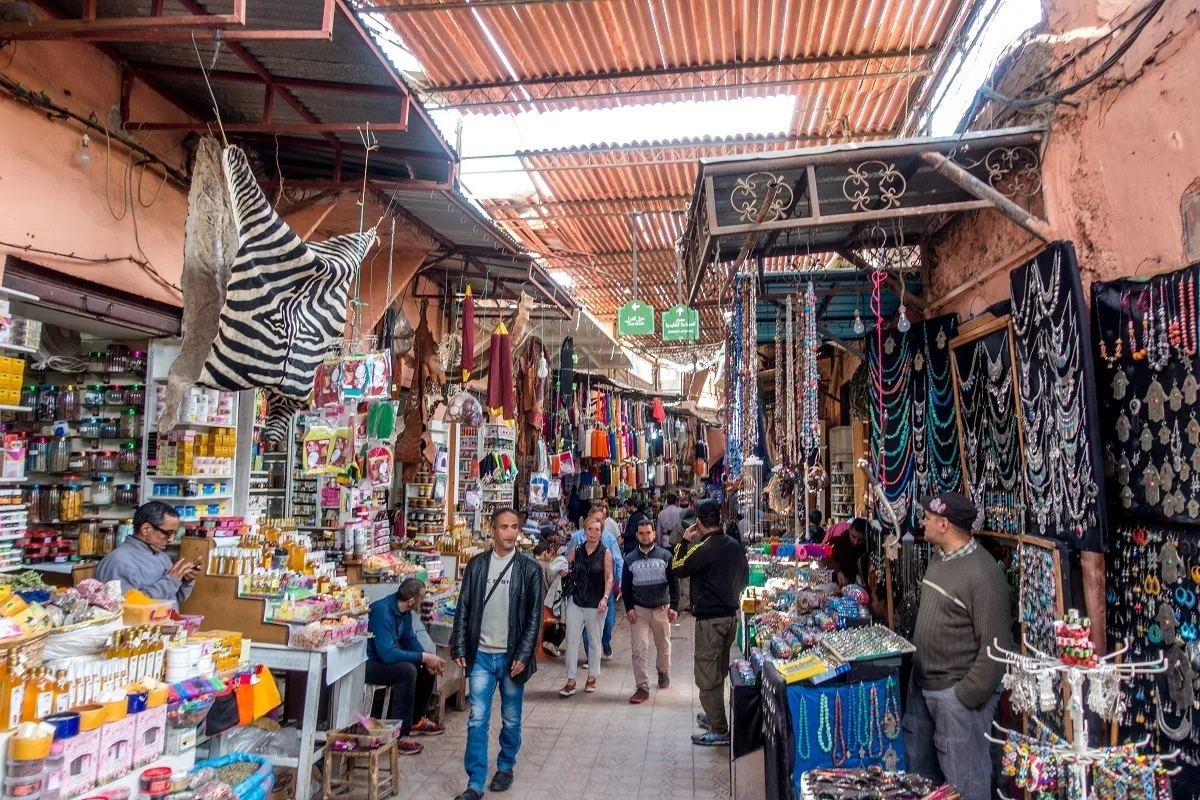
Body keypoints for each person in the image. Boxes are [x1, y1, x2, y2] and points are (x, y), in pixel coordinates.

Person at [904, 492, 1012, 800]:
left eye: (927, 517)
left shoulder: (983, 577)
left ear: (944, 524)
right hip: (925, 687)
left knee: (965, 784)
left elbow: (996, 649)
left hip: (955, 697)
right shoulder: (941, 557)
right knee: (921, 781)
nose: (922, 521)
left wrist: (964, 697)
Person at [452, 509, 544, 800]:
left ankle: (505, 766)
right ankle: (475, 782)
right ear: (493, 530)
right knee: (477, 718)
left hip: (511, 657)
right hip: (480, 654)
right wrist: (459, 645)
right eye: (504, 527)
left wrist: (524, 653)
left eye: (514, 527)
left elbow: (534, 617)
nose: (509, 533)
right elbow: (464, 606)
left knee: (511, 717)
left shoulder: (530, 569)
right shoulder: (477, 565)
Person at [672, 499, 748, 746]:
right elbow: (745, 578)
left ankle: (719, 728)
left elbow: (677, 567)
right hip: (730, 618)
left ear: (699, 522)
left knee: (707, 675)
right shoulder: (734, 545)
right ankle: (715, 716)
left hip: (711, 620)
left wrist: (684, 540)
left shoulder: (704, 548)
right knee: (718, 670)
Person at [365, 578, 446, 755]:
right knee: (407, 671)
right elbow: (387, 654)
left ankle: (416, 719)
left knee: (423, 668)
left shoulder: (405, 614)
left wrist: (427, 660)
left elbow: (408, 639)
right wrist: (424, 656)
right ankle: (400, 735)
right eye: (421, 598)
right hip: (369, 664)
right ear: (411, 601)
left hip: (384, 660)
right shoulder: (382, 611)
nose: (422, 602)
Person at [95, 501, 197, 608]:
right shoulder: (119, 561)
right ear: (146, 529)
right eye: (167, 533)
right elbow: (128, 608)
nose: (171, 539)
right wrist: (170, 582)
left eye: (174, 533)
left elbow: (173, 601)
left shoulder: (161, 556)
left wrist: (184, 580)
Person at [623, 517, 679, 703]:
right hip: (639, 611)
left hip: (662, 609)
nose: (645, 537)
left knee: (663, 647)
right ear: (636, 535)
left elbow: (674, 582)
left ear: (654, 533)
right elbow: (625, 587)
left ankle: (663, 672)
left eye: (648, 533)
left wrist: (674, 606)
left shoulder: (665, 556)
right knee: (639, 649)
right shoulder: (629, 559)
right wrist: (629, 608)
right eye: (642, 533)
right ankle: (642, 687)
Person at [559, 516, 613, 697]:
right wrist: (564, 570)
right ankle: (571, 680)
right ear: (584, 531)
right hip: (576, 599)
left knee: (594, 640)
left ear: (601, 532)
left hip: (595, 602)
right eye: (590, 529)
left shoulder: (605, 553)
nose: (593, 533)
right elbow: (565, 564)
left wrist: (605, 597)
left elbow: (609, 577)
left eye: (597, 530)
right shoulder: (577, 549)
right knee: (572, 639)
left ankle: (592, 677)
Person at [569, 510, 623, 660]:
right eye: (591, 525)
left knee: (609, 620)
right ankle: (590, 656)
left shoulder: (609, 539)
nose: (593, 531)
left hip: (605, 586)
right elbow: (568, 558)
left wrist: (620, 583)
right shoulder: (577, 538)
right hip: (583, 587)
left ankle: (605, 641)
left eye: (599, 523)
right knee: (587, 625)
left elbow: (618, 561)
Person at [533, 540, 568, 657]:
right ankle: (551, 642)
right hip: (544, 607)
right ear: (544, 553)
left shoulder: (527, 564)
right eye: (549, 553)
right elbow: (555, 588)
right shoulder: (549, 567)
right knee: (566, 620)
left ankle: (546, 643)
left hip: (530, 604)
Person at [831, 518, 869, 586]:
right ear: (849, 530)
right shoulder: (837, 542)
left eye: (861, 540)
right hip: (835, 586)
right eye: (853, 537)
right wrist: (837, 571)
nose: (856, 542)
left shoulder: (868, 548)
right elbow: (822, 557)